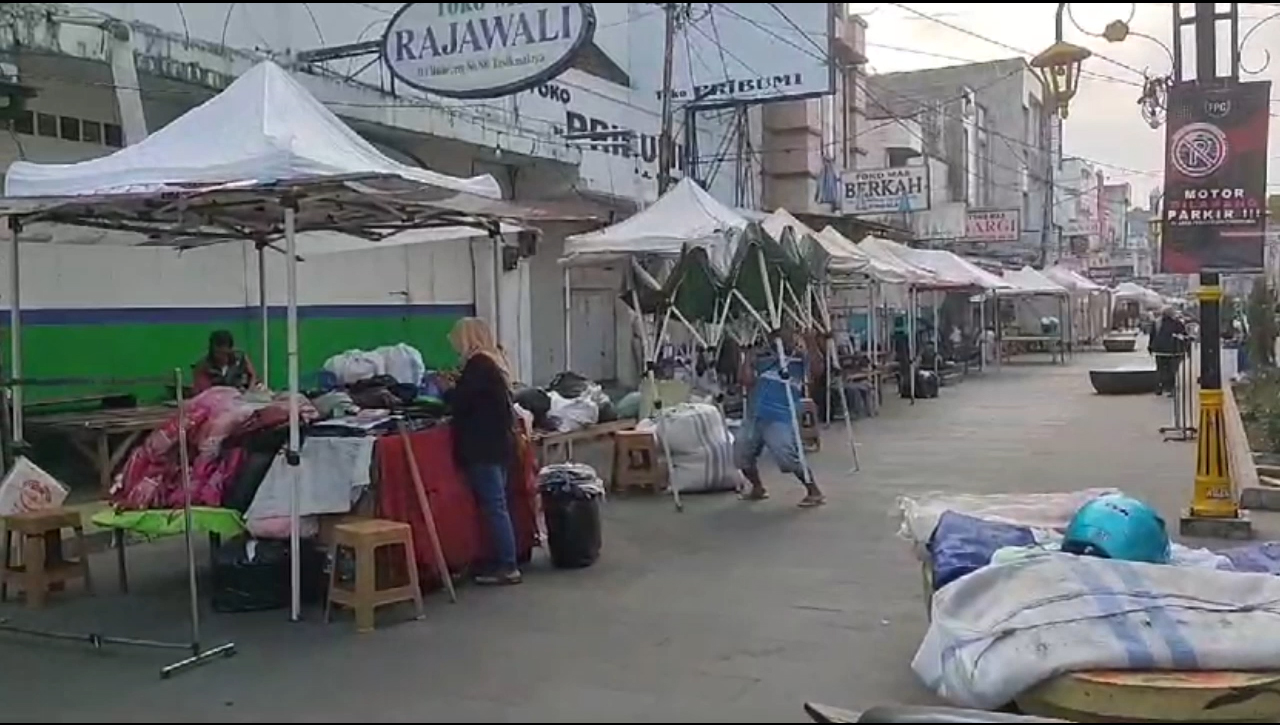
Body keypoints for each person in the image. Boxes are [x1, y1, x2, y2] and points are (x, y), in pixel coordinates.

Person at [444, 317, 522, 586]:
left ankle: (507, 565)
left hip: (483, 447)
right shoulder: (494, 363)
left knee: (494, 505)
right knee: (497, 504)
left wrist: (448, 390)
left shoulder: (478, 366)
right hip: (499, 445)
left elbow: (462, 402)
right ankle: (503, 558)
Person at [736, 329, 826, 508]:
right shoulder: (763, 361)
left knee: (787, 456)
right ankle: (757, 488)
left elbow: (817, 370)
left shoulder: (799, 361)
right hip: (755, 415)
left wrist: (811, 343)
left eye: (784, 337)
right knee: (740, 454)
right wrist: (747, 357)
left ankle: (813, 490)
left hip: (781, 416)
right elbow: (745, 381)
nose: (781, 341)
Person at [192, 330, 258, 393]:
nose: (220, 356)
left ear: (230, 349)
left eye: (224, 353)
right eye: (217, 352)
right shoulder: (203, 366)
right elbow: (200, 390)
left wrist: (250, 391)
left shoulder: (241, 358)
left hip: (241, 397)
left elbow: (252, 375)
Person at [1150, 307, 1187, 396]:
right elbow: (1183, 336)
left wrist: (1150, 347)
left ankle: (1159, 388)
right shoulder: (1177, 323)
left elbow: (1152, 336)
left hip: (1159, 350)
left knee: (1160, 369)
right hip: (1173, 351)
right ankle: (1170, 389)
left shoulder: (1157, 323)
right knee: (1171, 370)